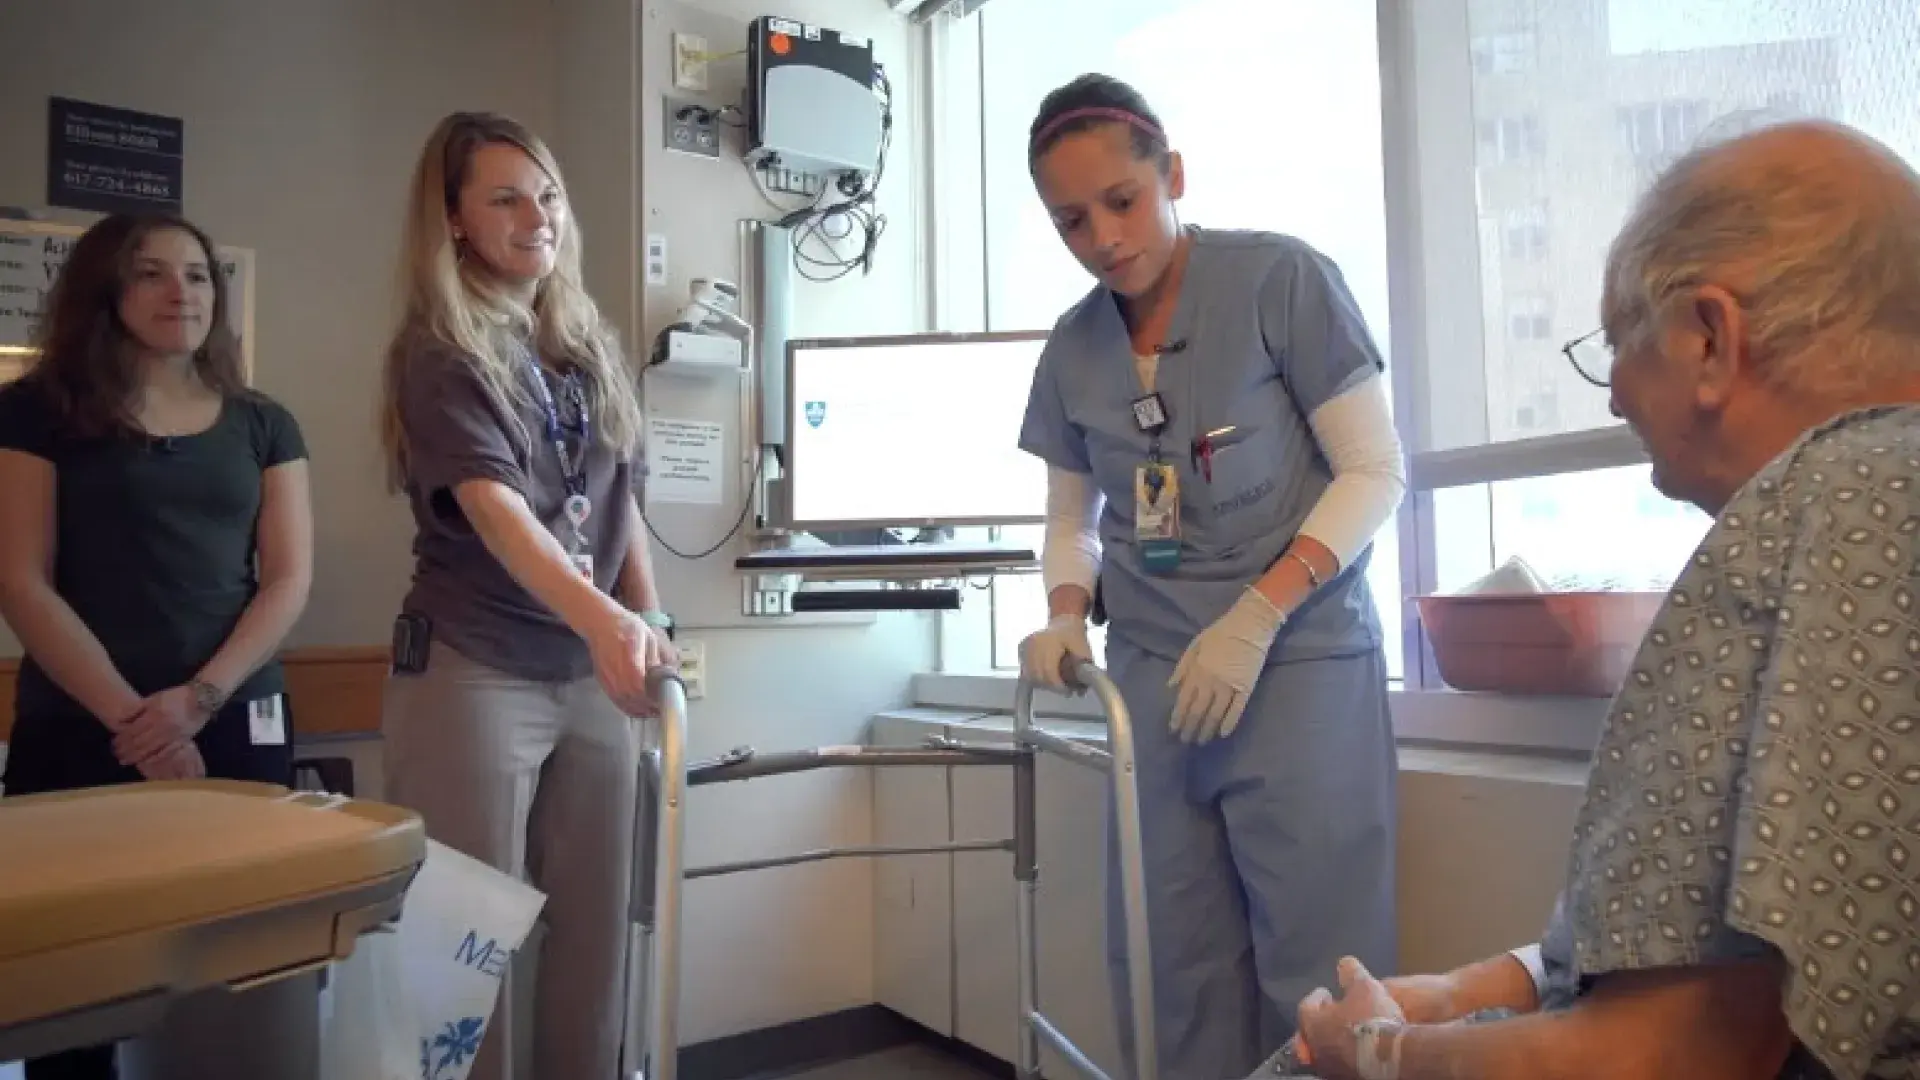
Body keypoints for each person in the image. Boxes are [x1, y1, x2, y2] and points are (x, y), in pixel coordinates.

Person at [1289, 119, 1920, 1080]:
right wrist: (1468, 993)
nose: (1617, 395)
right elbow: (1741, 957)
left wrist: (1378, 1053)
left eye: (1619, 344)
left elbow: (1673, 1055)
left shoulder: (1836, 501)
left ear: (1709, 336)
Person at [1014, 74, 1408, 1079]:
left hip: (1299, 663)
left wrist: (1258, 616)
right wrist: (1064, 614)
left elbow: (1375, 471)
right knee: (1168, 956)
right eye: (1070, 220)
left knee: (1320, 965)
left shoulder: (1281, 281)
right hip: (1150, 670)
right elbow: (1075, 519)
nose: (1102, 236)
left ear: (1172, 175)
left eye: (1122, 201)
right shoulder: (1071, 350)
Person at [376, 111, 676, 1080]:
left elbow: (620, 506)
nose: (536, 215)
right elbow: (499, 512)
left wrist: (650, 622)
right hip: (476, 666)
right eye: (505, 197)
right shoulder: (440, 350)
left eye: (546, 195)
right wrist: (611, 625)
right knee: (467, 942)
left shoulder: (584, 344)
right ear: (455, 220)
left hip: (588, 667)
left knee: (597, 930)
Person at [0, 212, 313, 1079]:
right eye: (152, 273)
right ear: (106, 289)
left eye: (200, 275)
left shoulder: (264, 422)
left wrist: (197, 702)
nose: (183, 292)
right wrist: (139, 724)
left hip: (233, 719)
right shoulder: (35, 411)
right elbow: (21, 581)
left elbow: (287, 581)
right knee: (73, 997)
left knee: (238, 988)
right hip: (79, 728)